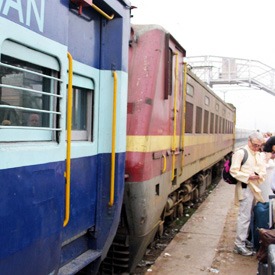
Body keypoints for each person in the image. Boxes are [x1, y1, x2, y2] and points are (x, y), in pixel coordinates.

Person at [230, 131, 266, 256]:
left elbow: (262, 170)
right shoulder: (241, 153)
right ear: (249, 141)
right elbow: (233, 171)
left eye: (259, 146)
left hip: (254, 188)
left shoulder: (257, 154)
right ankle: (239, 244)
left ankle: (244, 240)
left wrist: (259, 175)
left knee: (249, 216)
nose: (256, 148)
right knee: (244, 217)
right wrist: (248, 176)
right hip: (245, 188)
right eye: (255, 145)